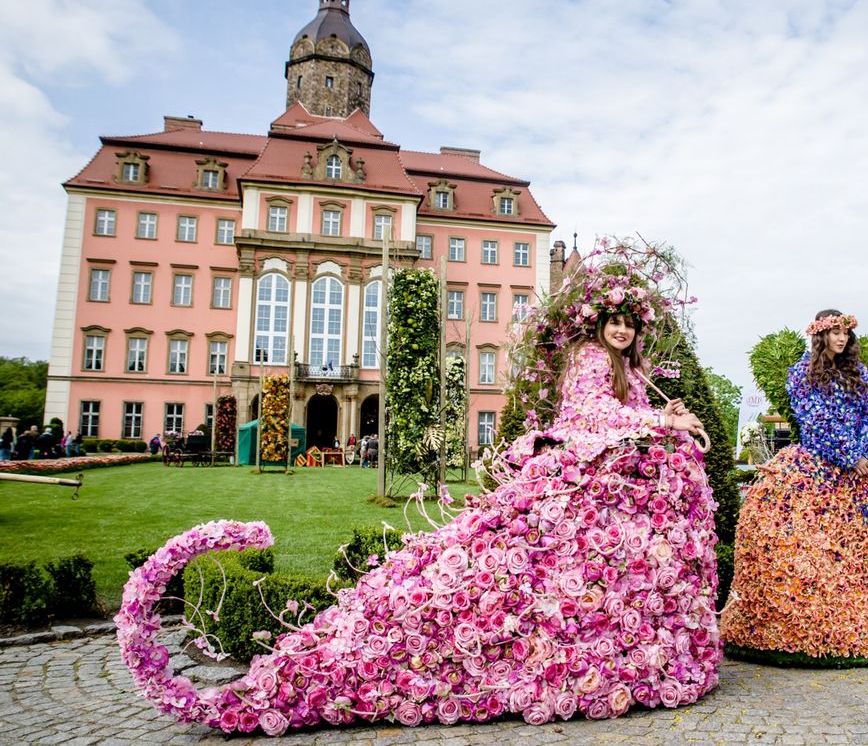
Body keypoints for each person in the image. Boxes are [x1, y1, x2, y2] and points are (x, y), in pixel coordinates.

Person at [116, 246, 721, 735]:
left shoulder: (634, 372)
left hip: (610, 480)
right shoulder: (589, 357)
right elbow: (588, 413)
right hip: (579, 473)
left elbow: (625, 414)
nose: (619, 330)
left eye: (627, 323)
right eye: (613, 319)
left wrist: (666, 420)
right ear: (598, 324)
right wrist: (659, 423)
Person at [720, 310, 868, 667]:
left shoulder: (859, 372)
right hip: (819, 462)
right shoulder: (801, 372)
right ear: (820, 335)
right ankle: (814, 627)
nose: (841, 338)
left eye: (845, 332)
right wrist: (849, 455)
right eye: (835, 332)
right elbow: (815, 420)